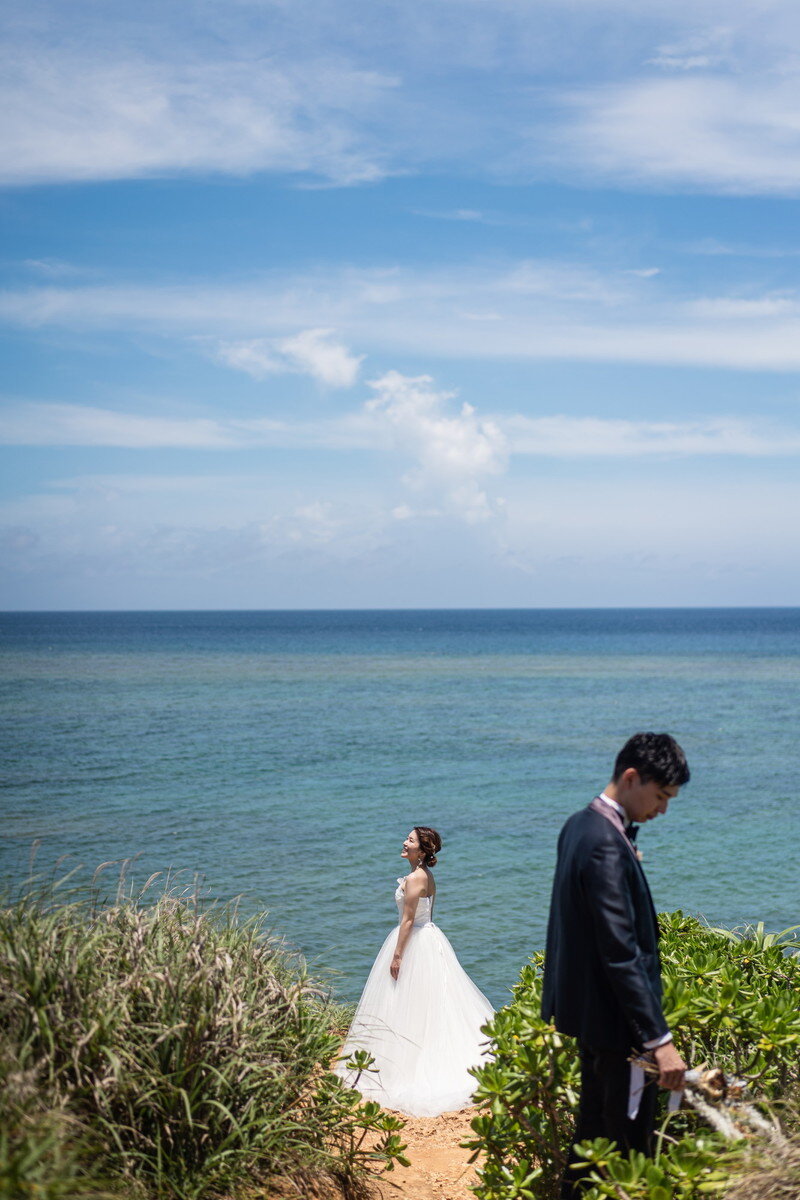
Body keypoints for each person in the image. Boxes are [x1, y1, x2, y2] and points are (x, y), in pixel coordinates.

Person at [541, 732, 690, 1197]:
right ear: (631, 778)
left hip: (591, 1019)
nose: (663, 809)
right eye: (661, 795)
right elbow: (621, 951)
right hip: (620, 1029)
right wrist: (659, 1041)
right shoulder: (605, 843)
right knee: (628, 1154)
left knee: (591, 1142)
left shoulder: (579, 825)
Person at [335, 826, 494, 1117]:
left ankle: (407, 1065)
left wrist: (397, 955)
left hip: (414, 941)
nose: (404, 842)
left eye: (410, 840)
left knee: (407, 1001)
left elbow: (408, 920)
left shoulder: (415, 878)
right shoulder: (426, 875)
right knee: (426, 1002)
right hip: (429, 937)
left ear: (421, 850)